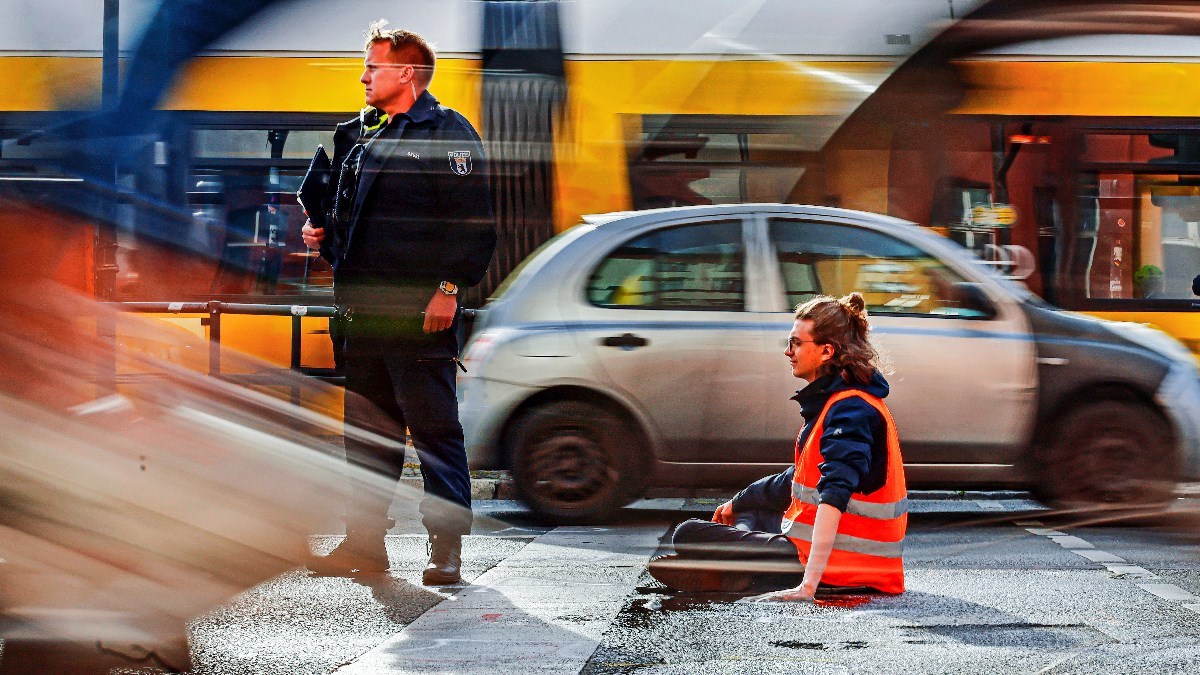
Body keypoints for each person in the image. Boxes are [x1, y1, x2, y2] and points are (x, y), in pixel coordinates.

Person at [301, 20, 496, 584]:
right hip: (361, 317)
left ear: (406, 72)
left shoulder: (445, 132)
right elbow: (348, 223)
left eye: (373, 66)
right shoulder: (358, 137)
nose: (363, 76)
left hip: (418, 317)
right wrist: (322, 236)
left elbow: (475, 225)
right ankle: (364, 545)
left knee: (435, 433)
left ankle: (447, 550)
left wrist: (449, 288)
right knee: (367, 435)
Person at [648, 292, 907, 601]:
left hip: (840, 566)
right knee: (753, 512)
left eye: (796, 343)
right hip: (837, 557)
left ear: (826, 351)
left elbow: (834, 494)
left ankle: (737, 572)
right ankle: (736, 573)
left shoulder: (851, 411)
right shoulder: (839, 403)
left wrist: (808, 587)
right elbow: (797, 479)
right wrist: (739, 502)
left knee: (687, 533)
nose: (787, 352)